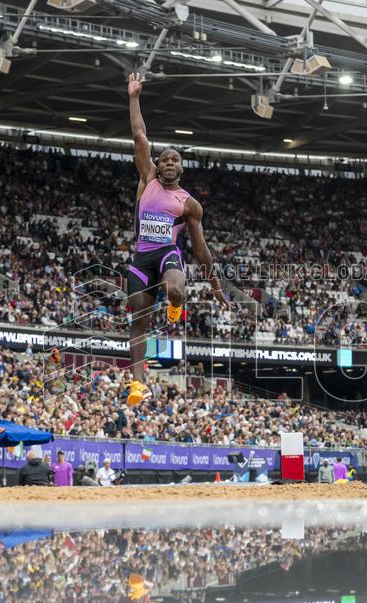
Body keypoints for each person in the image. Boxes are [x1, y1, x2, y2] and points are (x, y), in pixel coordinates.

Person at [124, 71, 233, 407]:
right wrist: (133, 97)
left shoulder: (189, 204)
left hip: (167, 255)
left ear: (182, 168)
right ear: (158, 164)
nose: (169, 162)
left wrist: (215, 287)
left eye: (175, 160)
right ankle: (138, 384)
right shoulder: (147, 178)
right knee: (138, 318)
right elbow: (139, 133)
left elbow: (200, 251)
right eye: (165, 159)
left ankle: (175, 306)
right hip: (142, 258)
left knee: (175, 289)